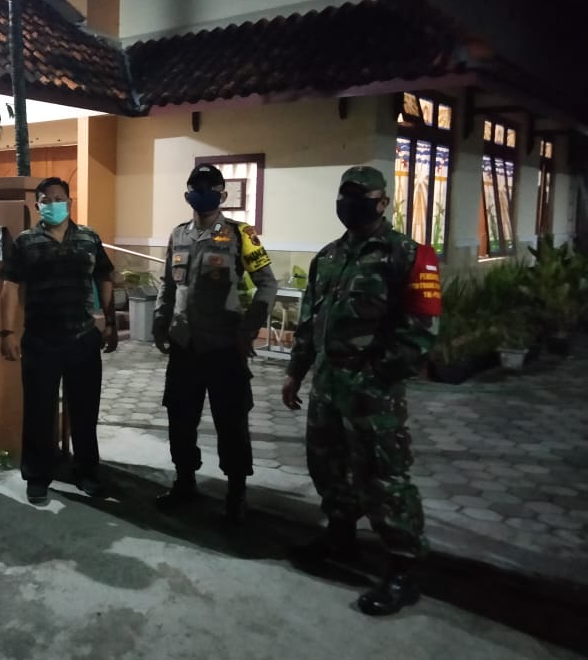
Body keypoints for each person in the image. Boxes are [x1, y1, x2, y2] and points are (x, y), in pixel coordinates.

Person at [281, 165, 441, 616]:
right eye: (344, 195)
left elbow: (421, 332)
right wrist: (296, 372)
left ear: (382, 202)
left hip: (373, 394)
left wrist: (377, 375)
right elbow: (310, 323)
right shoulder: (328, 257)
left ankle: (403, 569)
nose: (349, 204)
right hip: (327, 386)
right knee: (328, 466)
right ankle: (340, 538)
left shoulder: (408, 255)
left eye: (360, 196)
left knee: (383, 478)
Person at [152, 163, 278, 523]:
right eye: (197, 186)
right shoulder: (178, 234)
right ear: (188, 192)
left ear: (222, 194)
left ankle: (236, 493)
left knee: (231, 422)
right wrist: (160, 320)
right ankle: (185, 482)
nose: (203, 191)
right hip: (185, 345)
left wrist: (249, 328)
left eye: (210, 186)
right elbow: (168, 284)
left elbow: (267, 284)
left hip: (224, 347)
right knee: (180, 418)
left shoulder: (241, 234)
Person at [0, 177, 118, 505]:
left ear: (69, 202)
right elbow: (10, 286)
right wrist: (7, 332)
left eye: (59, 197)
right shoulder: (25, 242)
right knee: (39, 412)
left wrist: (109, 323)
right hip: (40, 341)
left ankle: (87, 472)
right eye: (46, 199)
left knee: (85, 412)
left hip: (83, 339)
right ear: (37, 205)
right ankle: (37, 476)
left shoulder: (89, 238)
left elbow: (105, 276)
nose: (53, 203)